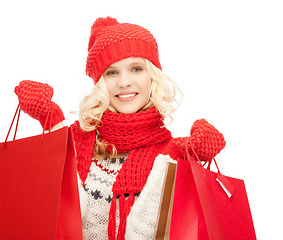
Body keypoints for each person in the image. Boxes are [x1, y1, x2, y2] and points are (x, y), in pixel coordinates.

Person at [14, 17, 226, 240]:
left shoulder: (172, 154)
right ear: (100, 83)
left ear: (152, 75)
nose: (124, 82)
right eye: (112, 72)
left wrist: (194, 154)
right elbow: (53, 212)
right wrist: (51, 120)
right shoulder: (75, 141)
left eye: (136, 68)